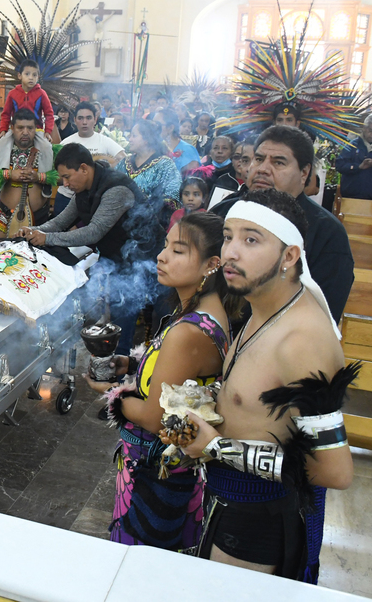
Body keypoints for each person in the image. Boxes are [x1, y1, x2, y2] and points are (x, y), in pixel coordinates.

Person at [182, 189, 355, 583]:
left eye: (251, 240)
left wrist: (215, 446)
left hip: (260, 517)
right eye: (228, 236)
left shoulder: (301, 341)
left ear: (290, 256)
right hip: (228, 499)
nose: (231, 252)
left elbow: (335, 471)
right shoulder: (263, 305)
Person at [99, 212, 232, 551]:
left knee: (139, 564)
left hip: (155, 475)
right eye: (165, 246)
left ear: (211, 264)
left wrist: (113, 394)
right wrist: (132, 365)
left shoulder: (188, 332)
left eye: (179, 250)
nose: (162, 256)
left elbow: (154, 415)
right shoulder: (200, 311)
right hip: (162, 468)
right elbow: (177, 378)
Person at [211, 125, 354, 325]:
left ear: (304, 173)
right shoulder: (222, 212)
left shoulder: (327, 234)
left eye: (278, 162)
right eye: (259, 159)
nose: (262, 169)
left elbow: (320, 317)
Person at [20, 144, 146, 264]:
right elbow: (60, 222)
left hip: (141, 259)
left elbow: (94, 232)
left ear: (84, 169)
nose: (65, 184)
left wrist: (47, 238)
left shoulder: (116, 189)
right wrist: (33, 231)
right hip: (113, 257)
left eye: (67, 177)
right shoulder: (84, 188)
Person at [0, 108, 61, 236]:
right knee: (3, 253)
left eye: (30, 128)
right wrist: (10, 174)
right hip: (5, 215)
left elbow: (64, 178)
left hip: (38, 216)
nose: (25, 132)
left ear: (36, 128)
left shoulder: (47, 150)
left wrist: (39, 177)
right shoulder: (1, 149)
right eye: (20, 128)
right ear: (12, 128)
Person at [54, 102, 124, 215]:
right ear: (75, 120)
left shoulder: (105, 141)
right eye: (80, 118)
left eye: (88, 118)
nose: (85, 122)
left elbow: (123, 160)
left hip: (93, 201)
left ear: (95, 120)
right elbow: (55, 175)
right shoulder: (65, 143)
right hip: (65, 199)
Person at [117, 119, 182, 225]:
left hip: (150, 226)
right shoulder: (124, 162)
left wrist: (147, 209)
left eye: (134, 136)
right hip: (120, 223)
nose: (130, 139)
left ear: (146, 139)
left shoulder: (165, 165)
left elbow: (173, 196)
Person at [0, 59, 55, 141]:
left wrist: (47, 131)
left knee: (46, 147)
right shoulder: (12, 94)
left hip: (36, 129)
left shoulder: (42, 94)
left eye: (34, 75)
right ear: (19, 76)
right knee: (2, 143)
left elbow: (49, 114)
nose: (31, 78)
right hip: (16, 129)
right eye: (27, 74)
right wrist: (3, 130)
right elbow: (6, 114)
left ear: (38, 78)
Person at [154, 109, 200, 173]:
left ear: (170, 128)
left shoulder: (188, 150)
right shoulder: (153, 147)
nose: (153, 128)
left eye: (157, 125)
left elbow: (192, 180)